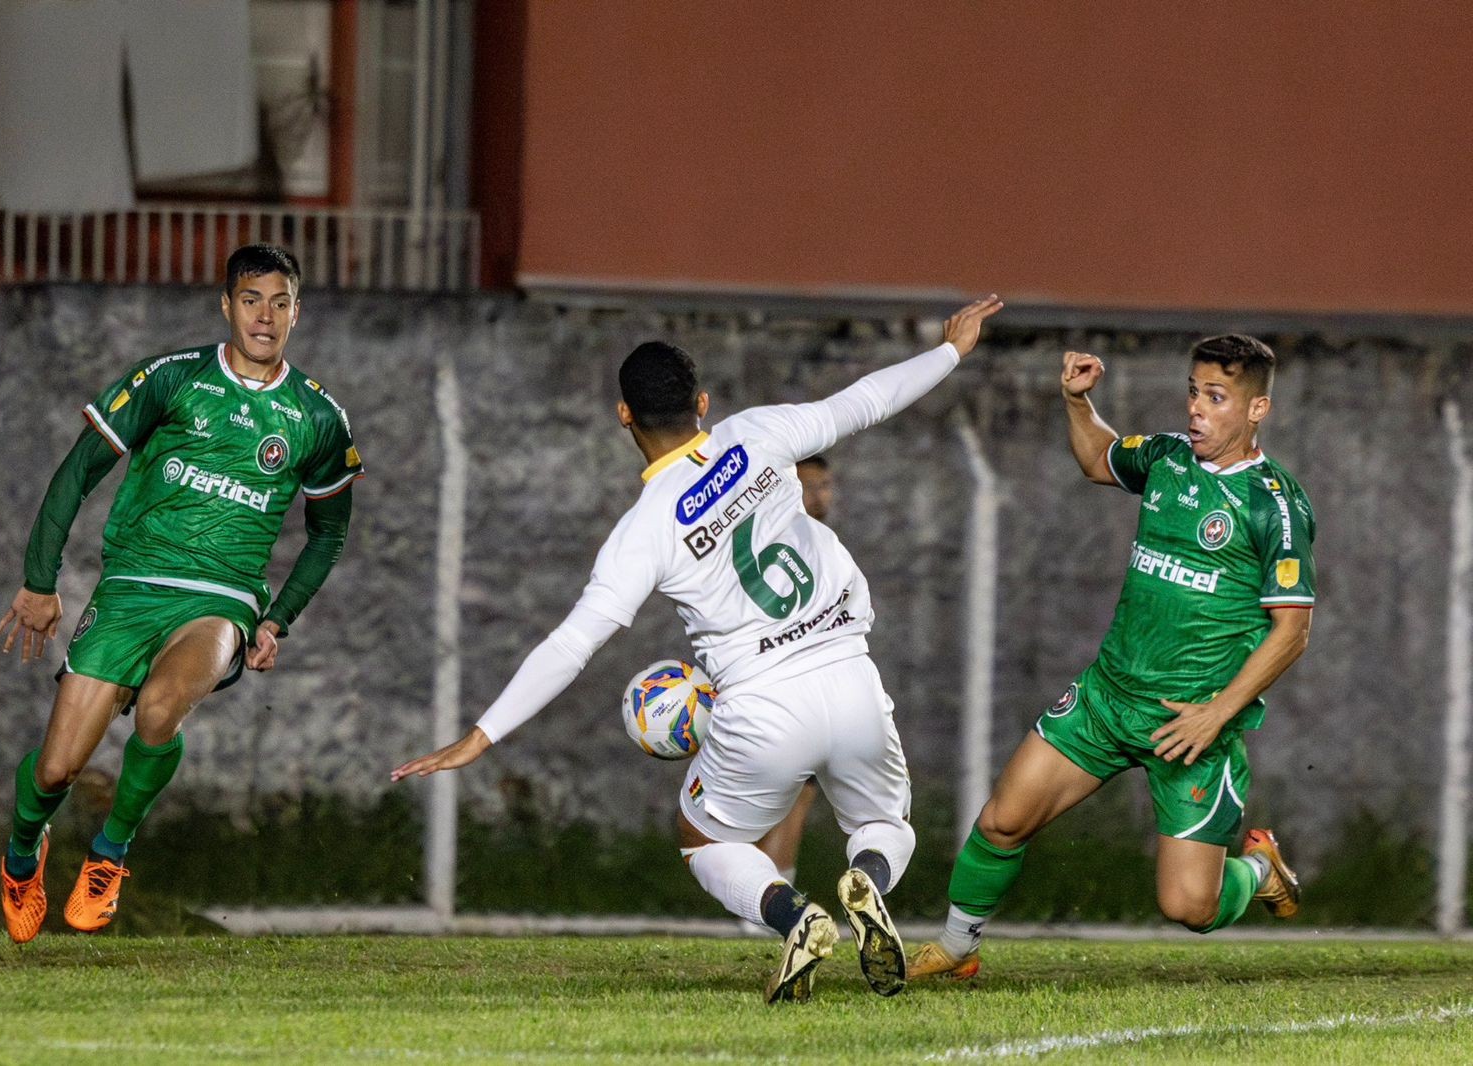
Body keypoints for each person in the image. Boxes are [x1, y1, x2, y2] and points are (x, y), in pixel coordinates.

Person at [395, 296, 1004, 1004]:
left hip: (759, 708)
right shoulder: (756, 433)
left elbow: (572, 644)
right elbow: (864, 400)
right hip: (849, 675)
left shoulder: (644, 528)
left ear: (625, 416)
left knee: (703, 840)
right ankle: (864, 875)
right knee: (881, 824)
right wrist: (951, 351)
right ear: (703, 403)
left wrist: (480, 735)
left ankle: (794, 916)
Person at [909, 334, 1314, 981]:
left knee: (1189, 907)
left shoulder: (1275, 503)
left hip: (1190, 728)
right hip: (1108, 699)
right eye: (1193, 392)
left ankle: (1260, 869)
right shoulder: (1166, 458)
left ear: (1257, 409)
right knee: (1004, 818)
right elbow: (1100, 458)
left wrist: (1216, 716)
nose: (1197, 410)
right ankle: (958, 947)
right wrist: (1078, 401)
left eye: (1216, 397)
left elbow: (1291, 631)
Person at [0, 244, 364, 943]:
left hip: (220, 599)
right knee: (57, 768)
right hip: (131, 587)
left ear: (297, 312)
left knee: (162, 710)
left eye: (280, 302)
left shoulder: (317, 418)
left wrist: (277, 618)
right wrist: (39, 582)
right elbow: (78, 473)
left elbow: (328, 535)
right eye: (251, 299)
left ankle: (109, 855)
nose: (265, 315)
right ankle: (21, 857)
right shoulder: (171, 378)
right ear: (226, 306)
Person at [753, 454, 834, 885]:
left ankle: (764, 894)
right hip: (781, 685)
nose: (819, 495)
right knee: (791, 794)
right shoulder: (784, 543)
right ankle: (766, 898)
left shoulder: (819, 540)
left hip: (804, 686)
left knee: (795, 792)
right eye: (809, 485)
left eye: (825, 485)